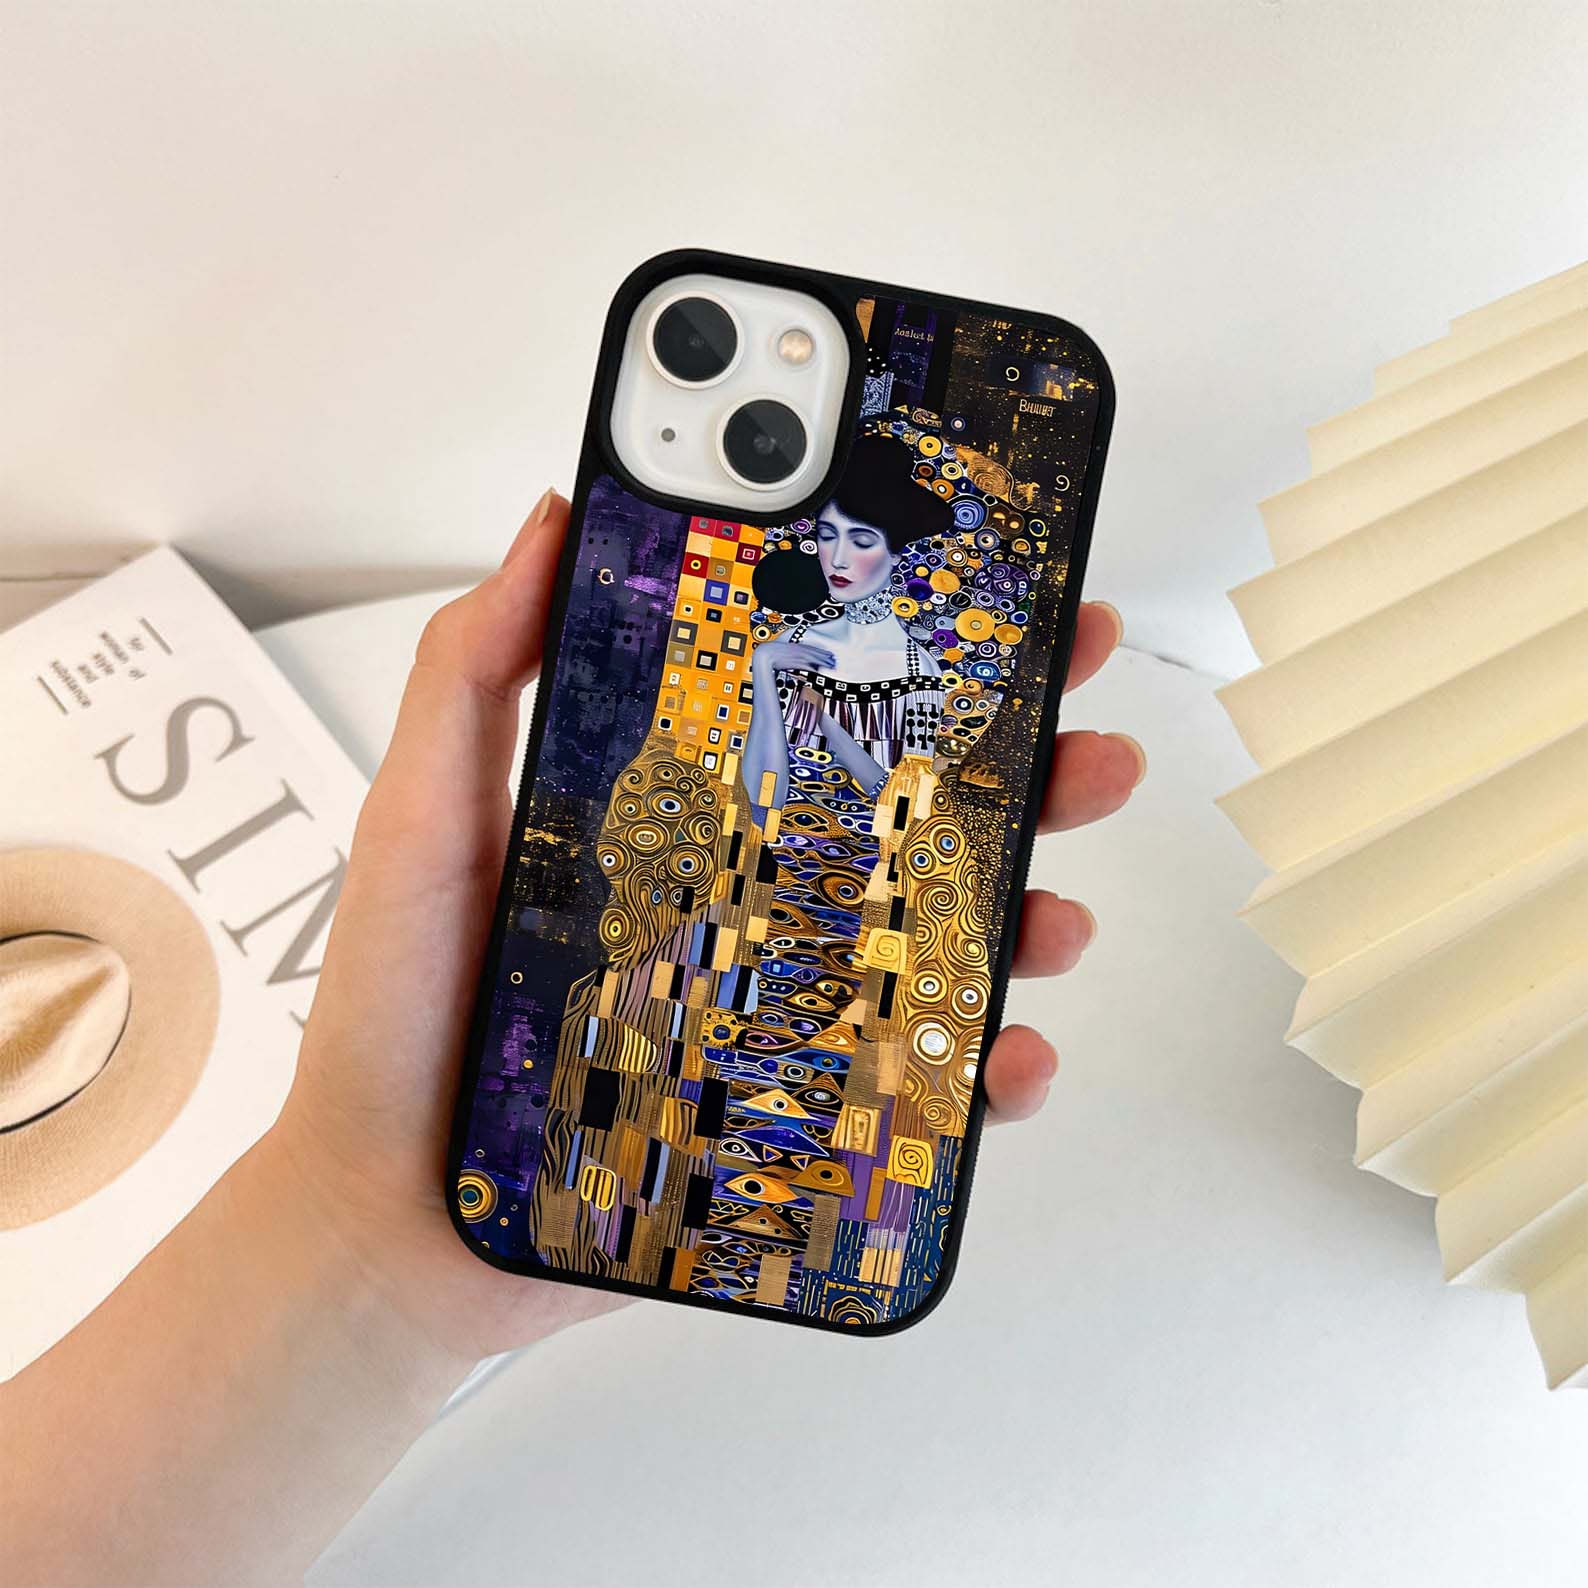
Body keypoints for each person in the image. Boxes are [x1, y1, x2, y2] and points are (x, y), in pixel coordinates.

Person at [0, 488, 1145, 1584]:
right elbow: (754, 784)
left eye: (862, 540)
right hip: (747, 889)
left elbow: (900, 789)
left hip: (851, 905)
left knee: (818, 1089)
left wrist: (815, 713)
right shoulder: (792, 646)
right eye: (832, 536)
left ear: (897, 557)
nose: (841, 557)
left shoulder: (900, 657)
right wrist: (768, 712)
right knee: (651, 1050)